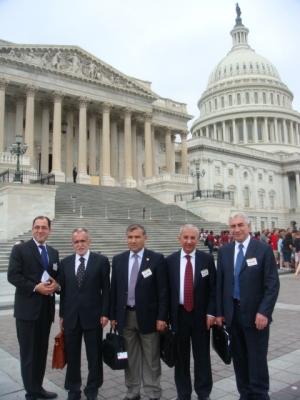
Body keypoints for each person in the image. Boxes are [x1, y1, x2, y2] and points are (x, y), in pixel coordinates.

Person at [216, 212, 280, 400]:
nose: (237, 229)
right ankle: (245, 394)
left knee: (257, 359)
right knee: (240, 360)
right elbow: (220, 284)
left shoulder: (262, 249)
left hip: (256, 315)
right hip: (233, 314)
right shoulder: (225, 251)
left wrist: (264, 312)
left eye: (240, 225)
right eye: (233, 226)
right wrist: (220, 313)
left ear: (249, 226)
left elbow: (272, 285)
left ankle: (260, 394)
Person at [110, 224, 168, 400]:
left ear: (145, 238)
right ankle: (133, 390)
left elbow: (163, 291)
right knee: (130, 357)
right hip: (125, 316)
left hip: (149, 317)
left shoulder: (156, 259)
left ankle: (152, 392)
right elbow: (114, 290)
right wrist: (113, 316)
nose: (133, 241)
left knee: (151, 357)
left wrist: (162, 316)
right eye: (129, 237)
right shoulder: (119, 259)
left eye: (136, 237)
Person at [7, 216, 60, 400]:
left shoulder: (53, 252)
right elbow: (13, 275)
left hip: (46, 311)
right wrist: (34, 287)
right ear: (32, 229)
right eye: (37, 227)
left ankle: (38, 387)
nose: (40, 230)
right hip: (27, 311)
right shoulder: (20, 249)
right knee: (28, 353)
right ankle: (31, 393)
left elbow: (57, 276)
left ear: (49, 230)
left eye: (44, 227)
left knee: (40, 352)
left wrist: (57, 286)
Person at [166, 224, 216, 400]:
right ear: (179, 239)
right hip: (178, 315)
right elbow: (165, 291)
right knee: (181, 358)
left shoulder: (206, 259)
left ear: (198, 239)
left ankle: (203, 392)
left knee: (202, 356)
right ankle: (183, 393)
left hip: (200, 316)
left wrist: (211, 313)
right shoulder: (170, 261)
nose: (189, 241)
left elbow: (213, 289)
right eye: (185, 237)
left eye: (192, 238)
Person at [59, 228, 110, 400]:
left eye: (83, 241)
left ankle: (92, 389)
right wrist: (62, 315)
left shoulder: (101, 261)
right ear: (72, 243)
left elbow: (106, 290)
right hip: (72, 317)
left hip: (94, 317)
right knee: (72, 357)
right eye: (76, 242)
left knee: (94, 356)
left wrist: (105, 313)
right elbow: (64, 292)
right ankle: (73, 390)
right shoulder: (64, 263)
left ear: (89, 241)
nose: (80, 245)